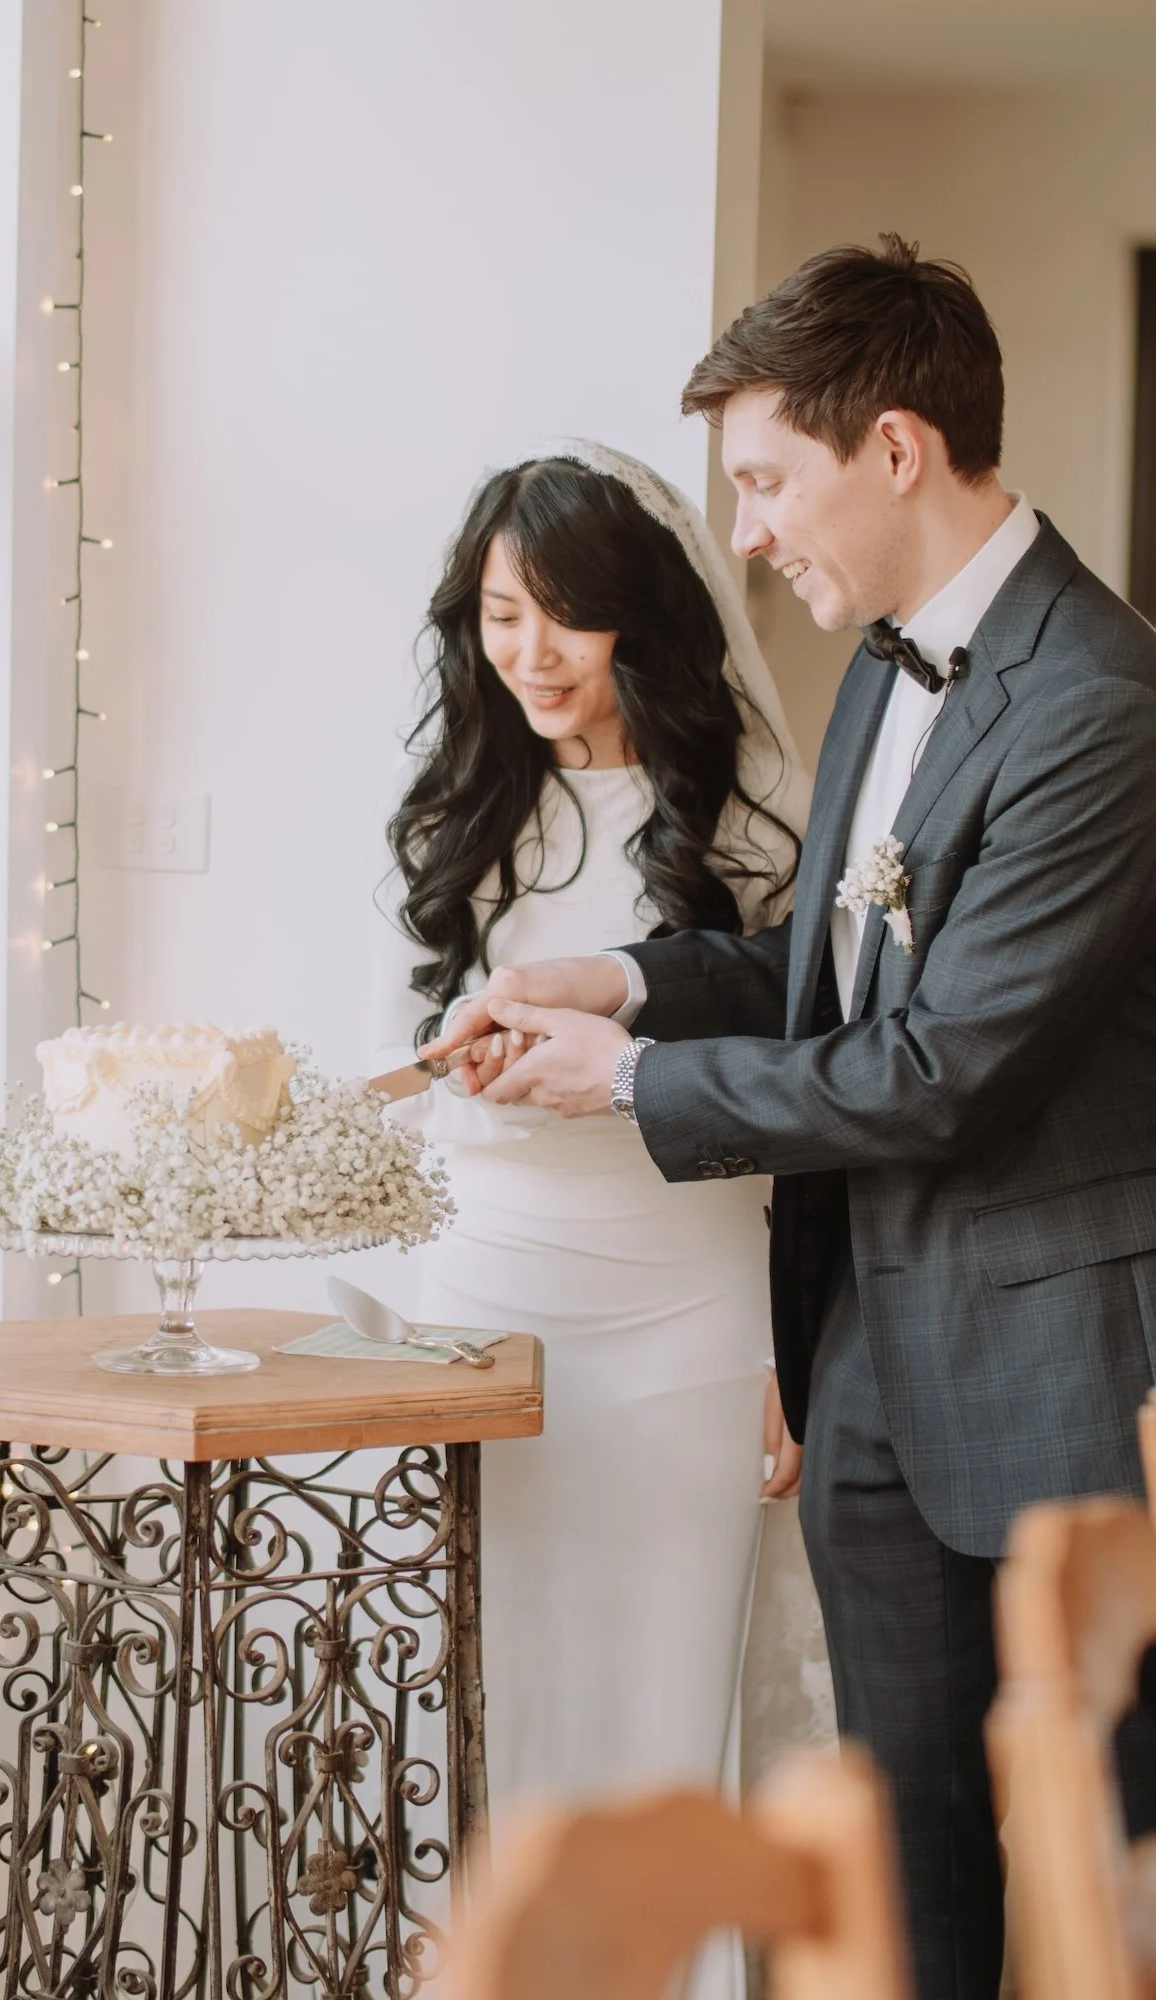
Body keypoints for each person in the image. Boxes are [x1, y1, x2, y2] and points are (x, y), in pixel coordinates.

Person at [422, 239, 1156, 2000]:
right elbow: (832, 983)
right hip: (870, 1382)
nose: (744, 532)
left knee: (1081, 1892)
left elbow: (941, 1067)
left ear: (892, 450)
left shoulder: (1096, 701)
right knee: (906, 1898)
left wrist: (631, 1086)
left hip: (1042, 1393)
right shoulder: (887, 676)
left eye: (765, 481)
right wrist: (630, 987)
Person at [374, 440, 812, 2000]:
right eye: (501, 616)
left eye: (567, 615)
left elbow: (807, 1095)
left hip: (687, 1314)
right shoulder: (464, 803)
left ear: (644, 614)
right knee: (476, 1719)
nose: (532, 655)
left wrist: (799, 1350)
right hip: (480, 1310)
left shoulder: (751, 821)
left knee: (653, 1734)